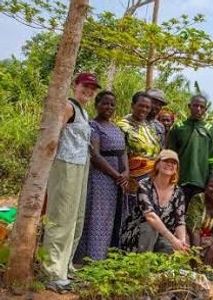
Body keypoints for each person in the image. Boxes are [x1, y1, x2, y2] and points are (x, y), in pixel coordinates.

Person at [42, 72, 100, 292]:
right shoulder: (68, 106)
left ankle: (65, 267)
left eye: (92, 88)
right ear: (75, 85)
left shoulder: (84, 111)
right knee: (61, 218)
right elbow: (53, 134)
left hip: (81, 165)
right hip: (65, 165)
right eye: (85, 86)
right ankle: (52, 272)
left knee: (76, 218)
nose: (88, 90)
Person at [75, 91, 128, 262]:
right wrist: (116, 175)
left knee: (114, 217)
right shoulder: (93, 126)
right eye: (105, 103)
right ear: (97, 105)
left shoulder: (115, 127)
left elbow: (124, 151)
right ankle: (93, 258)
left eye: (112, 104)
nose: (109, 107)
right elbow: (95, 156)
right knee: (99, 217)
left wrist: (126, 172)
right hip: (102, 179)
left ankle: (108, 257)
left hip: (119, 179)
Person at [120, 150, 188, 253]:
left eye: (173, 162)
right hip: (138, 234)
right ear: (157, 165)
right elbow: (150, 217)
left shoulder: (178, 192)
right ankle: (141, 264)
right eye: (166, 161)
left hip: (162, 236)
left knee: (170, 248)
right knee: (150, 228)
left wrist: (181, 242)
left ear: (176, 169)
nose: (169, 164)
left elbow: (180, 221)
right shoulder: (144, 185)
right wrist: (173, 239)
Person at [168, 95, 213, 204]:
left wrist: (212, 179)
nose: (198, 109)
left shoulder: (211, 129)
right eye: (195, 106)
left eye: (202, 107)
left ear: (205, 109)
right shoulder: (178, 127)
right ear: (189, 106)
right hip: (180, 179)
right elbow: (170, 155)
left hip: (201, 180)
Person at [117, 91, 161, 194]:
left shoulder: (150, 127)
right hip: (133, 178)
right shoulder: (123, 126)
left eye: (147, 107)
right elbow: (121, 153)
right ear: (133, 105)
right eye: (141, 106)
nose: (144, 110)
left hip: (153, 177)